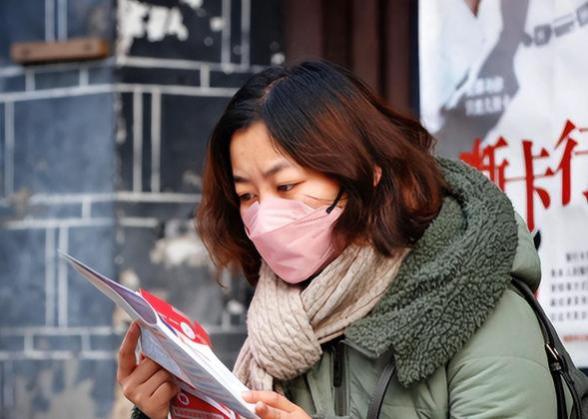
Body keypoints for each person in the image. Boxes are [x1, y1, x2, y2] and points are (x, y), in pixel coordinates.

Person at [117, 59, 572, 419]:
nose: (264, 216)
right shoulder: (285, 324)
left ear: (365, 173)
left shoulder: (476, 302)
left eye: (287, 186)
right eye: (247, 195)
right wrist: (170, 412)